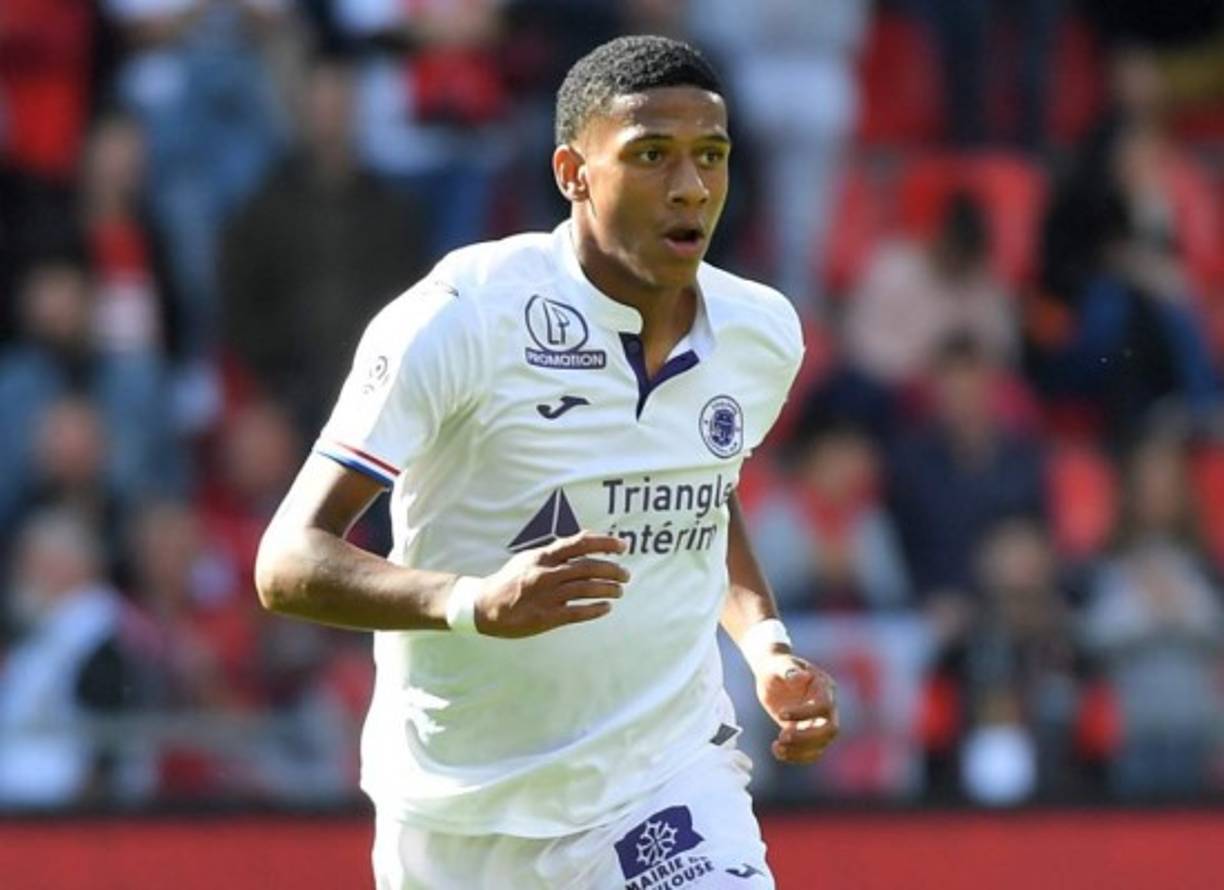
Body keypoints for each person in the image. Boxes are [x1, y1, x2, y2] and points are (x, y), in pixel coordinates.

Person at [255, 35, 838, 889]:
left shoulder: (761, 333)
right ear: (573, 172)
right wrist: (471, 603)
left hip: (662, 780)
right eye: (651, 155)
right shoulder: (462, 317)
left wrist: (767, 645)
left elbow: (703, 493)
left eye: (710, 156)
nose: (690, 186)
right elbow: (286, 563)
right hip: (459, 814)